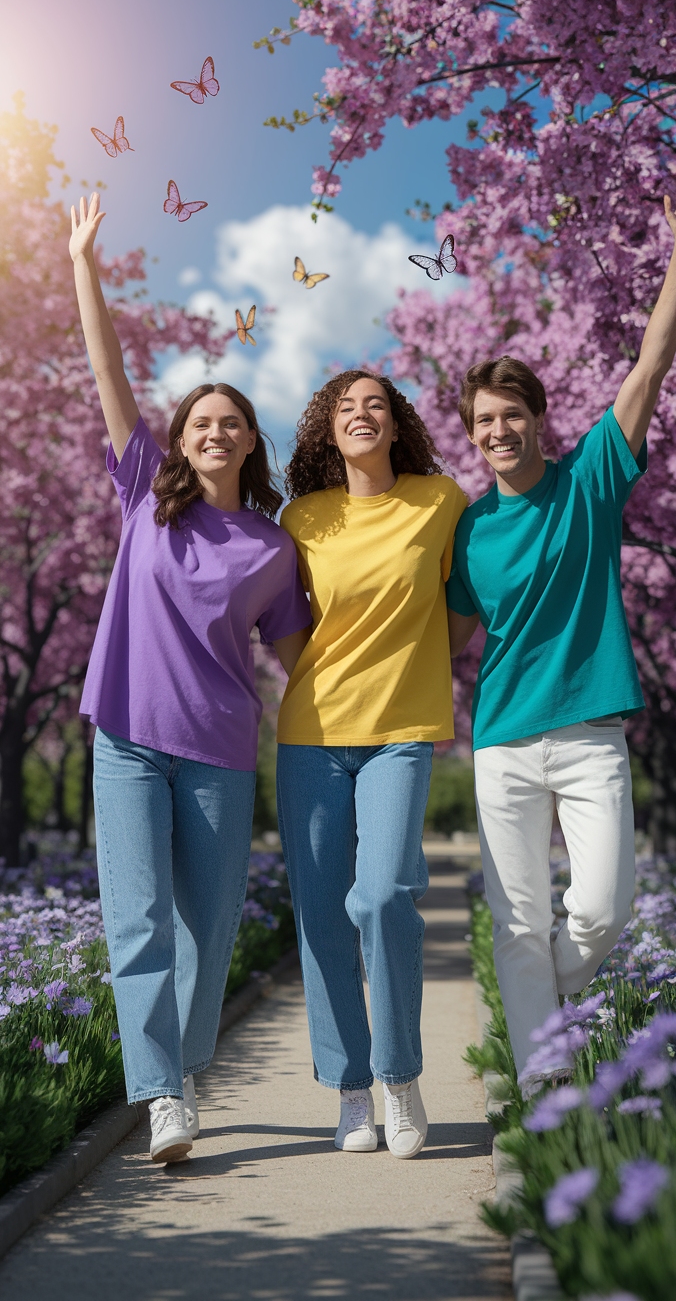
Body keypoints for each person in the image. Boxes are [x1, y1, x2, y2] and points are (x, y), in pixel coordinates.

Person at [446, 167, 676, 1096]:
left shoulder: (591, 482)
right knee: (516, 921)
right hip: (505, 744)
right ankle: (542, 1091)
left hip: (592, 731)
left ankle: (543, 1010)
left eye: (511, 414)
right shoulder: (469, 530)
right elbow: (441, 638)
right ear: (473, 435)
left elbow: (649, 366)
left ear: (539, 419)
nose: (498, 430)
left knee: (600, 910)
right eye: (483, 422)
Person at [70, 193, 312, 1162]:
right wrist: (84, 263)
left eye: (231, 422)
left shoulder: (271, 547)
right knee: (137, 923)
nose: (214, 431)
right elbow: (107, 374)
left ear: (252, 442)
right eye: (200, 421)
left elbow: (302, 659)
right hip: (126, 737)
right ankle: (164, 1095)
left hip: (216, 750)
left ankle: (181, 1054)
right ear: (180, 441)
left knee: (207, 929)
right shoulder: (145, 499)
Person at [276, 371, 467, 1157]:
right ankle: (352, 1087)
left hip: (402, 729)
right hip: (312, 734)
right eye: (345, 407)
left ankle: (399, 1075)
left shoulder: (440, 500)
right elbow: (289, 630)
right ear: (327, 430)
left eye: (375, 405)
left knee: (384, 895)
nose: (361, 414)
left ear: (397, 425)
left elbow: (460, 609)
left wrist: (415, 664)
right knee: (322, 915)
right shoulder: (301, 519)